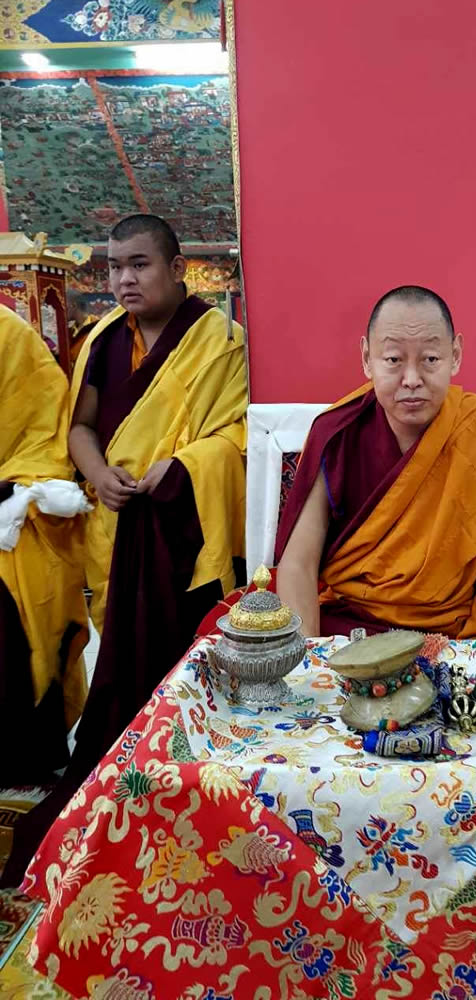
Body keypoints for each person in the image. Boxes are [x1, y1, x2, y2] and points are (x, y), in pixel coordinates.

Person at [1, 214, 247, 886]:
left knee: (180, 670)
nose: (124, 279)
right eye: (114, 267)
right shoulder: (104, 341)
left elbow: (236, 437)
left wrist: (185, 466)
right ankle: (126, 789)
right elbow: (78, 427)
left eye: (139, 265)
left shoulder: (222, 342)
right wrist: (98, 472)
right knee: (123, 667)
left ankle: (191, 795)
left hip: (182, 529)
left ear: (175, 268)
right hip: (115, 525)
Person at [276, 285, 476, 641]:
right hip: (352, 630)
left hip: (456, 632)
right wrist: (312, 664)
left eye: (430, 360)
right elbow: (298, 563)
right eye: (393, 360)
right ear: (367, 358)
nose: (412, 379)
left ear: (455, 355)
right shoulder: (336, 434)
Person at [0, 305, 89, 785]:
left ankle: (25, 758)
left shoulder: (10, 337)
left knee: (18, 640)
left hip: (15, 516)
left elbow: (46, 439)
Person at [66, 288, 100, 367]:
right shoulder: (70, 331)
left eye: (63, 305)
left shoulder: (97, 326)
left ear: (73, 305)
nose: (60, 309)